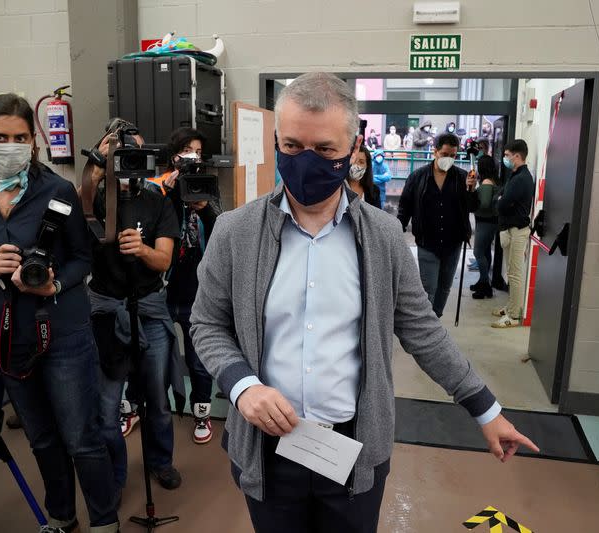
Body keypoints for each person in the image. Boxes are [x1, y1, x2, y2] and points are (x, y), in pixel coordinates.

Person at [190, 73, 538, 533]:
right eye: (292, 146)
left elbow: (422, 331)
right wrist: (242, 387)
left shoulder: (383, 237)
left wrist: (485, 410)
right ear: (276, 140)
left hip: (350, 452)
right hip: (266, 451)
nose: (306, 162)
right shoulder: (236, 233)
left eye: (325, 149)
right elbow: (206, 324)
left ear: (353, 149)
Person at [0, 93, 119, 533]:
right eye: (0, 136)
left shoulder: (57, 191)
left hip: (62, 330)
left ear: (34, 142)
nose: (11, 144)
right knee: (40, 437)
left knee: (83, 438)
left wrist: (55, 282)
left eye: (20, 137)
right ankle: (62, 517)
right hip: (6, 335)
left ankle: (105, 522)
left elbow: (84, 258)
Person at [81, 119, 184, 492]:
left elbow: (164, 261)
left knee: (157, 398)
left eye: (135, 152)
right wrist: (97, 166)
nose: (129, 159)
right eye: (121, 152)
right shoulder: (92, 200)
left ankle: (160, 461)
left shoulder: (157, 201)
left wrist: (141, 249)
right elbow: (80, 206)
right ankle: (116, 474)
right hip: (107, 313)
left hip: (150, 310)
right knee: (106, 409)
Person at [147, 127, 220, 444]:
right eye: (188, 150)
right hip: (160, 290)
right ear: (174, 153)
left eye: (199, 152)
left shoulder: (204, 188)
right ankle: (153, 408)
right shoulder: (155, 189)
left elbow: (220, 235)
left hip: (197, 292)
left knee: (199, 360)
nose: (194, 157)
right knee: (155, 358)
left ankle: (202, 413)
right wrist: (173, 196)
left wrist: (204, 208)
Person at [398, 132, 479, 317]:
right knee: (428, 288)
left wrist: (471, 190)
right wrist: (397, 231)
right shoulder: (417, 177)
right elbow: (405, 207)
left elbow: (473, 207)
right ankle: (426, 324)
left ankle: (435, 320)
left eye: (453, 156)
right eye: (445, 154)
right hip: (427, 241)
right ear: (435, 152)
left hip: (453, 243)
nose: (449, 159)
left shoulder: (462, 177)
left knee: (444, 287)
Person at [492, 139, 534, 328]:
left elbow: (501, 202)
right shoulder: (515, 174)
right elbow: (500, 197)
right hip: (511, 229)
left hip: (518, 231)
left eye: (508, 155)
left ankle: (514, 316)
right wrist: (500, 198)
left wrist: (500, 200)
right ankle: (510, 306)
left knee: (515, 273)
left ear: (517, 156)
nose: (505, 159)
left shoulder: (522, 178)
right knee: (511, 271)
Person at [469, 156, 500, 299]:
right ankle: (483, 281)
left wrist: (473, 198)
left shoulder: (487, 182)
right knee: (486, 252)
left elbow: (485, 203)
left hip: (485, 222)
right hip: (490, 221)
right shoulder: (493, 180)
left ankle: (485, 286)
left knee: (478, 252)